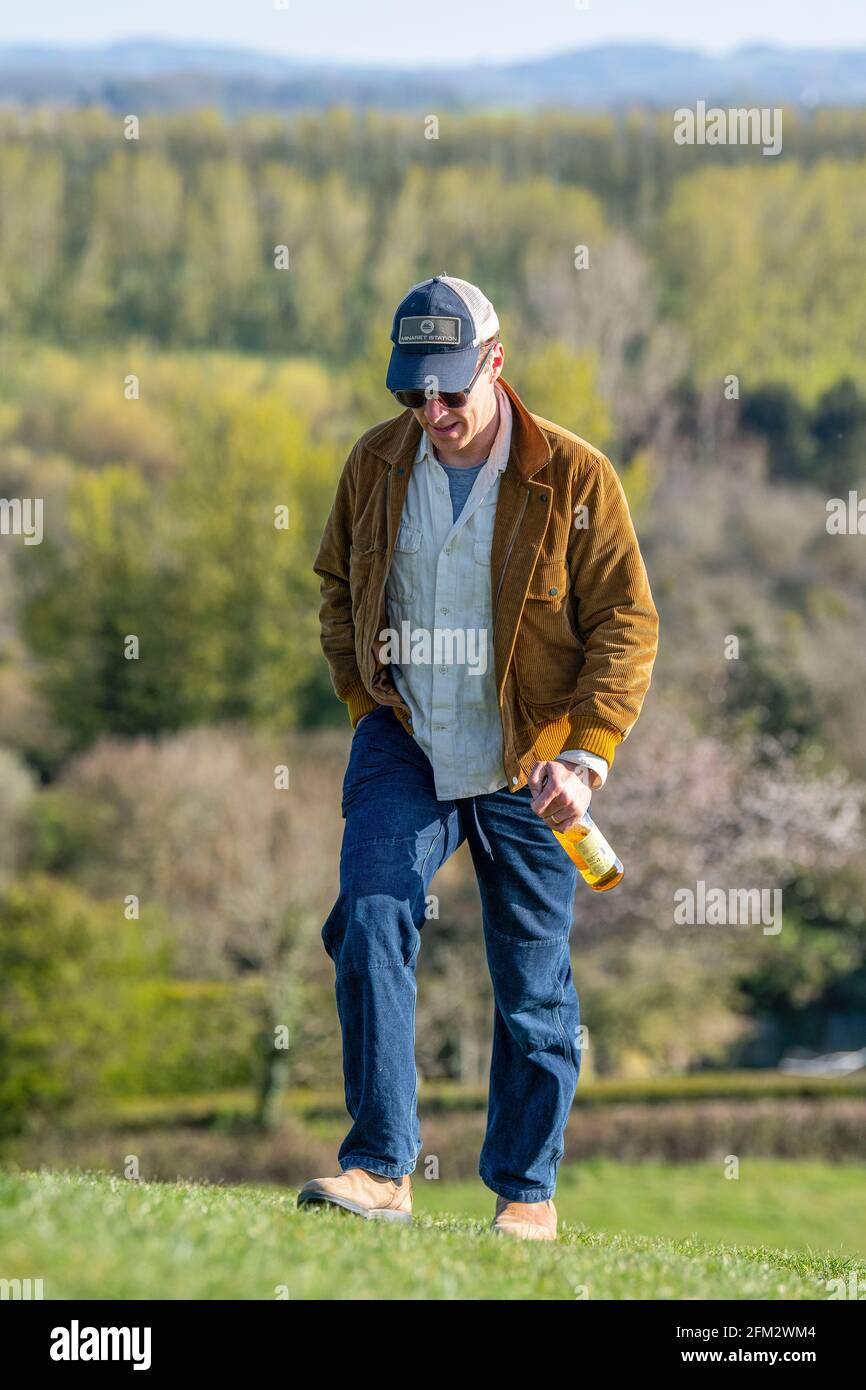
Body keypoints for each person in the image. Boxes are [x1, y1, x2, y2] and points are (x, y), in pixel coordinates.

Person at [299, 275, 659, 1239]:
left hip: (531, 760)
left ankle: (525, 1194)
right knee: (371, 916)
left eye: (451, 390)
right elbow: (336, 585)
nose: (433, 411)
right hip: (404, 739)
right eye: (414, 393)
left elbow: (626, 624)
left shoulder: (576, 479)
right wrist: (361, 693)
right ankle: (379, 1171)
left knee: (534, 984)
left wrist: (584, 757)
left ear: (495, 364)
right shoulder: (375, 465)